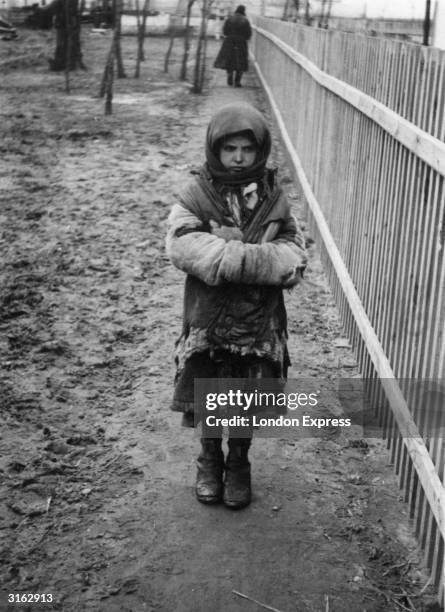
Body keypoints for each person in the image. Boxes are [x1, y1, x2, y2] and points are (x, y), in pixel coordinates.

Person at [166, 103, 307, 509]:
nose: (239, 158)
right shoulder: (197, 194)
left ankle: (239, 463)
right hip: (209, 314)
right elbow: (182, 244)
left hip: (258, 319)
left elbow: (294, 253)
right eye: (230, 149)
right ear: (216, 149)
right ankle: (209, 460)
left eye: (247, 149)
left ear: (259, 150)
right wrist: (247, 258)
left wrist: (238, 257)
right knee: (210, 386)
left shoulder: (272, 198)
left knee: (245, 390)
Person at [214, 5, 252, 87]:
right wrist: (244, 38)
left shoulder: (229, 19)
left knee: (229, 59)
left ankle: (230, 74)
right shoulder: (245, 20)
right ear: (243, 11)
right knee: (241, 60)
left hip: (229, 41)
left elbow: (225, 31)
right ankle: (237, 81)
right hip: (241, 42)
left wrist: (230, 36)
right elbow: (248, 34)